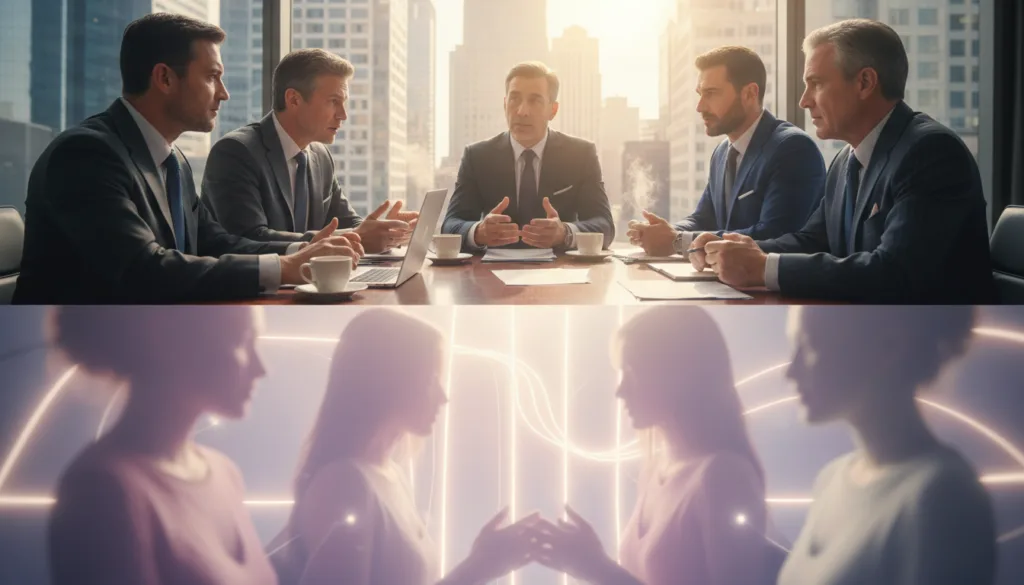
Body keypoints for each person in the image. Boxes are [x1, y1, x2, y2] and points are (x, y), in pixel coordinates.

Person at [14, 14, 362, 304]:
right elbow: (141, 269)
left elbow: (214, 240)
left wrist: (301, 249)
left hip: (147, 338)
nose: (223, 93)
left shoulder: (172, 159)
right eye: (212, 77)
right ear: (164, 77)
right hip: (75, 354)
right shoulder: (86, 155)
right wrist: (284, 268)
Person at [689, 19, 994, 303]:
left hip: (940, 345)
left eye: (816, 83)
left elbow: (897, 272)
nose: (804, 100)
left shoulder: (930, 153)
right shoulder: (845, 160)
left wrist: (764, 268)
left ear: (864, 82)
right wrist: (740, 252)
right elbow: (813, 240)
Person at [269, 309, 536, 585]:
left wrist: (481, 564)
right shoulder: (345, 484)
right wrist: (477, 568)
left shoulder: (389, 475)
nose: (443, 397)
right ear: (390, 379)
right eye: (432, 379)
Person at [530, 307, 774, 585]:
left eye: (632, 373)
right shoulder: (656, 467)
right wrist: (589, 565)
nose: (620, 391)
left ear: (677, 375)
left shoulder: (724, 476)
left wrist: (597, 569)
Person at [47, 306, 277, 585]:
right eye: (242, 340)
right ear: (175, 340)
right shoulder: (101, 492)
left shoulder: (226, 473)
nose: (261, 369)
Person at [778, 306, 996, 585]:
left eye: (809, 345)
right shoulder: (830, 478)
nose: (790, 372)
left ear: (889, 347)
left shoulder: (944, 497)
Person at [203, 49, 417, 253]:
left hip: (307, 285)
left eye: (344, 103)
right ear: (294, 99)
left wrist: (386, 230)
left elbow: (346, 223)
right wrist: (356, 236)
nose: (343, 115)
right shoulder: (236, 152)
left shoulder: (320, 156)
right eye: (334, 102)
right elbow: (249, 239)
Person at [629, 47, 824, 256]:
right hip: (727, 282)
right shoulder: (722, 152)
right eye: (700, 94)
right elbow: (703, 218)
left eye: (710, 93)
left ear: (750, 93)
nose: (700, 106)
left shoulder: (792, 148)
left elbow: (774, 234)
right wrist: (665, 232)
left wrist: (678, 241)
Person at [441, 61, 615, 252]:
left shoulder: (580, 155)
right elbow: (450, 225)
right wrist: (478, 232)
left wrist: (565, 232)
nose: (522, 111)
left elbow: (604, 225)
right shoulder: (477, 157)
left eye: (535, 101)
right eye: (514, 99)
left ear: (553, 110)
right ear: (505, 103)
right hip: (492, 272)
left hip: (560, 273)